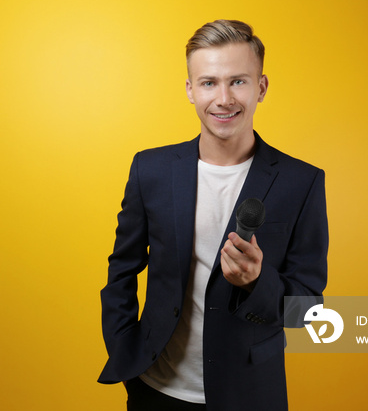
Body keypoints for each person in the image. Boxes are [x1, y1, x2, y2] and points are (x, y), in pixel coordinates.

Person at [98, 20, 329, 411]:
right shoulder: (149, 170)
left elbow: (307, 310)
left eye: (238, 81)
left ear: (261, 87)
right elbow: (121, 270)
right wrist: (125, 348)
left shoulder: (302, 182)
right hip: (154, 389)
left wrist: (258, 282)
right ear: (190, 90)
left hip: (250, 395)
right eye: (208, 83)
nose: (223, 98)